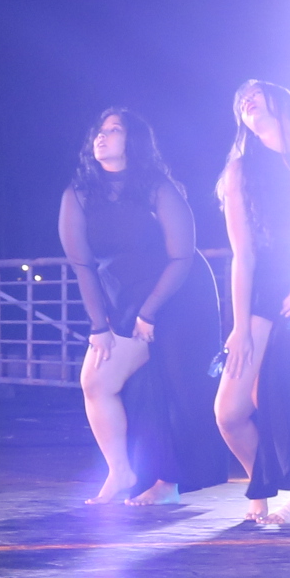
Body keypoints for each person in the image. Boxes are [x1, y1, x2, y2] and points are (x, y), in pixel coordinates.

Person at [57, 108, 233, 505]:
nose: (101, 137)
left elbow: (182, 255)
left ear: (132, 140)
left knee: (176, 387)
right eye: (98, 131)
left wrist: (149, 312)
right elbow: (82, 265)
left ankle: (168, 481)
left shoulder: (158, 188)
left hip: (178, 294)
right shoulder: (78, 194)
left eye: (113, 130)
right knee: (98, 382)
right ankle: (122, 471)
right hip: (124, 297)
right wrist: (98, 325)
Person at [213, 79, 290, 530]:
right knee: (229, 410)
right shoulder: (241, 170)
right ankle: (261, 483)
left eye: (255, 94)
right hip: (263, 289)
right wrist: (239, 326)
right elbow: (243, 255)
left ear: (282, 102)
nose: (246, 101)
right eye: (241, 100)